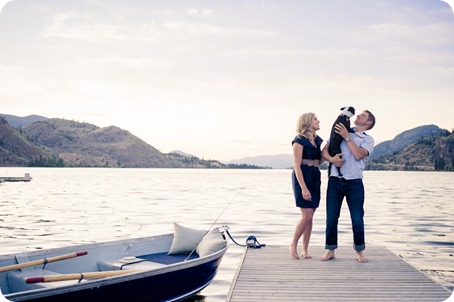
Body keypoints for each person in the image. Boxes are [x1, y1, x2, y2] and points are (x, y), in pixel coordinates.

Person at [320, 110, 376, 263]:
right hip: (334, 181)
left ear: (369, 123)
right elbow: (324, 151)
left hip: (355, 183)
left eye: (363, 116)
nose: (358, 116)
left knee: (357, 218)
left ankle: (359, 251)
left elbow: (358, 155)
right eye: (358, 114)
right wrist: (332, 159)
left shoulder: (368, 139)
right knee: (331, 217)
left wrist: (347, 137)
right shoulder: (340, 129)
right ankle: (330, 250)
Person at [289, 113, 324, 259]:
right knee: (306, 215)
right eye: (315, 119)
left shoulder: (317, 140)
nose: (318, 121)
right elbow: (296, 165)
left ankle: (305, 249)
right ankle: (293, 245)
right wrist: (303, 187)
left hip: (315, 175)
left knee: (311, 216)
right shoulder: (299, 140)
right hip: (302, 176)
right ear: (308, 122)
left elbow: (320, 159)